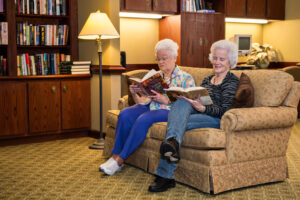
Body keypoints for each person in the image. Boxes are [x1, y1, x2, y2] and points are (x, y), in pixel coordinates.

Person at [148, 39, 240, 192]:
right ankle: (172, 145)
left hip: (216, 120)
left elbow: (225, 110)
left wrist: (203, 109)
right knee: (180, 102)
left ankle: (165, 175)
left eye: (221, 59)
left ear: (230, 61)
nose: (217, 62)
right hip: (199, 113)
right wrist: (192, 102)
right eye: (215, 58)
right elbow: (198, 100)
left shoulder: (231, 82)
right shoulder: (206, 80)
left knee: (176, 124)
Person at [99, 39, 195, 175]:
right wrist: (135, 94)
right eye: (158, 59)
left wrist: (166, 101)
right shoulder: (155, 76)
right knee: (125, 113)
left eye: (164, 58)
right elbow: (143, 102)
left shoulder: (186, 78)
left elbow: (188, 105)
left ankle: (120, 159)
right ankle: (115, 156)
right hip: (150, 106)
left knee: (144, 119)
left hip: (169, 111)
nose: (161, 62)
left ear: (174, 57)